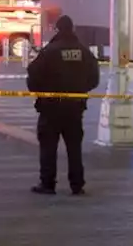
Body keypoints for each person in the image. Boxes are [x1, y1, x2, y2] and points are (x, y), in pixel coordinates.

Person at [26, 15, 100, 195]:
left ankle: (48, 184)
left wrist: (41, 93)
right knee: (74, 148)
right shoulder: (83, 51)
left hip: (51, 108)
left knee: (48, 147)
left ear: (57, 29)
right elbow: (94, 78)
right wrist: (80, 89)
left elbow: (33, 75)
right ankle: (77, 185)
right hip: (75, 107)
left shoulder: (50, 51)